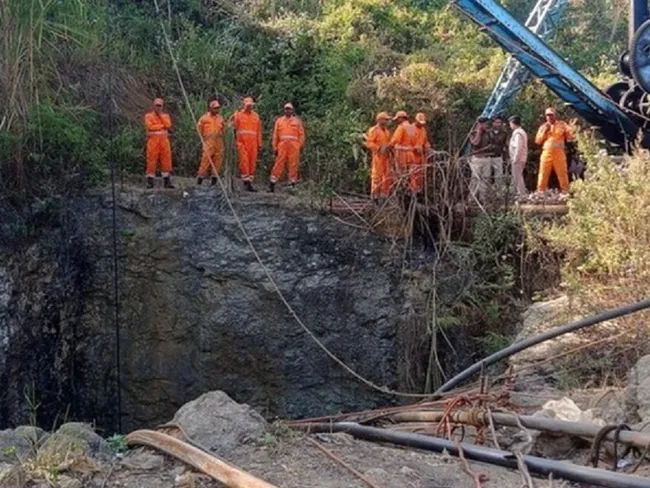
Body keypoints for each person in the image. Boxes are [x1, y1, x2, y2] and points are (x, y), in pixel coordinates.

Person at [535, 107, 574, 193]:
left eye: (551, 115)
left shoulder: (562, 124)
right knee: (543, 173)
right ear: (545, 116)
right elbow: (537, 141)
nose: (549, 117)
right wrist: (544, 131)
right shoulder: (543, 127)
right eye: (548, 115)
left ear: (555, 115)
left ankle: (565, 191)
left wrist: (572, 128)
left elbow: (571, 137)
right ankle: (540, 192)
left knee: (562, 173)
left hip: (559, 153)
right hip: (546, 153)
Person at [269, 103, 305, 192]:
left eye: (289, 109)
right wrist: (275, 147)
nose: (287, 111)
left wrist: (299, 145)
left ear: (292, 110)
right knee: (279, 163)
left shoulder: (297, 121)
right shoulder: (279, 121)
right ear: (284, 110)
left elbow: (301, 134)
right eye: (286, 109)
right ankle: (272, 183)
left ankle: (292, 184)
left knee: (293, 164)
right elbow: (275, 135)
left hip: (294, 146)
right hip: (282, 145)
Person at [231, 96, 262, 192]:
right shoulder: (238, 115)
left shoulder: (256, 116)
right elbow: (231, 126)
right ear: (244, 105)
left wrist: (259, 143)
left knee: (252, 163)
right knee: (244, 162)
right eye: (247, 105)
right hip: (242, 142)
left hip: (253, 143)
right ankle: (246, 182)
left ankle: (250, 182)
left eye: (250, 105)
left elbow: (258, 131)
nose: (249, 107)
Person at [144, 98, 174, 189]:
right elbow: (150, 126)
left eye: (160, 106)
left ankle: (167, 181)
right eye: (157, 105)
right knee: (151, 160)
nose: (158, 107)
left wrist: (160, 117)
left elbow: (168, 125)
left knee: (166, 160)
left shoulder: (165, 116)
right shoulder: (148, 116)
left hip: (164, 142)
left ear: (162, 106)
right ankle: (150, 182)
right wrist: (161, 126)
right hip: (153, 142)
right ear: (153, 106)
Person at [196, 99, 226, 185]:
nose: (217, 110)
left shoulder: (220, 118)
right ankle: (200, 179)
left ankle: (214, 180)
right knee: (205, 160)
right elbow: (199, 130)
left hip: (219, 142)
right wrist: (203, 139)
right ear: (210, 108)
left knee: (218, 161)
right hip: (208, 142)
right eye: (215, 108)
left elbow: (224, 130)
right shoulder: (204, 118)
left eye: (218, 108)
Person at [365, 112, 392, 201]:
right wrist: (378, 148)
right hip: (378, 157)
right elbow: (369, 143)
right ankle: (375, 196)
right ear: (380, 120)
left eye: (387, 120)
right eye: (385, 119)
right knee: (376, 176)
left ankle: (384, 196)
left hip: (386, 157)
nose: (387, 121)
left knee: (386, 176)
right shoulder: (373, 130)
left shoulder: (387, 131)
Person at [390, 110, 417, 191]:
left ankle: (403, 191)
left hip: (402, 154)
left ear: (401, 118)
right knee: (411, 173)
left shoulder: (401, 127)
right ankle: (412, 190)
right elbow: (414, 141)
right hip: (411, 154)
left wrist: (389, 146)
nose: (397, 121)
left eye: (398, 119)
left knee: (401, 174)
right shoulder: (411, 127)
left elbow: (395, 140)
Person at [468, 116, 493, 202]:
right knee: (475, 179)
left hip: (486, 158)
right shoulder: (473, 134)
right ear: (480, 124)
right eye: (485, 124)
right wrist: (479, 132)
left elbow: (491, 145)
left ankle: (483, 198)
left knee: (485, 179)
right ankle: (472, 199)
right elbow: (475, 143)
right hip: (477, 159)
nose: (487, 126)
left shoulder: (488, 133)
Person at [508, 115, 528, 198]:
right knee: (517, 176)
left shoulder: (518, 133)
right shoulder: (520, 132)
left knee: (517, 177)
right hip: (520, 158)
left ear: (513, 123)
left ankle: (521, 194)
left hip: (518, 159)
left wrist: (515, 158)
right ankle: (518, 193)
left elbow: (518, 147)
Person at [412, 112, 431, 194]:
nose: (421, 124)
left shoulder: (423, 130)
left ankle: (419, 190)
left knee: (421, 173)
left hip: (421, 156)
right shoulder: (410, 129)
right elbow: (406, 142)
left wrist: (428, 147)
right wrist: (414, 147)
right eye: (420, 122)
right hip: (412, 155)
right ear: (416, 120)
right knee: (413, 173)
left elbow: (425, 141)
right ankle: (412, 191)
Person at [488, 114, 509, 192]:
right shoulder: (488, 132)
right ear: (493, 123)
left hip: (498, 157)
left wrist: (506, 157)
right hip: (488, 157)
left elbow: (506, 145)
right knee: (487, 176)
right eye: (496, 122)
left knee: (499, 177)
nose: (498, 124)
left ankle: (498, 192)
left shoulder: (504, 133)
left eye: (500, 122)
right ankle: (488, 192)